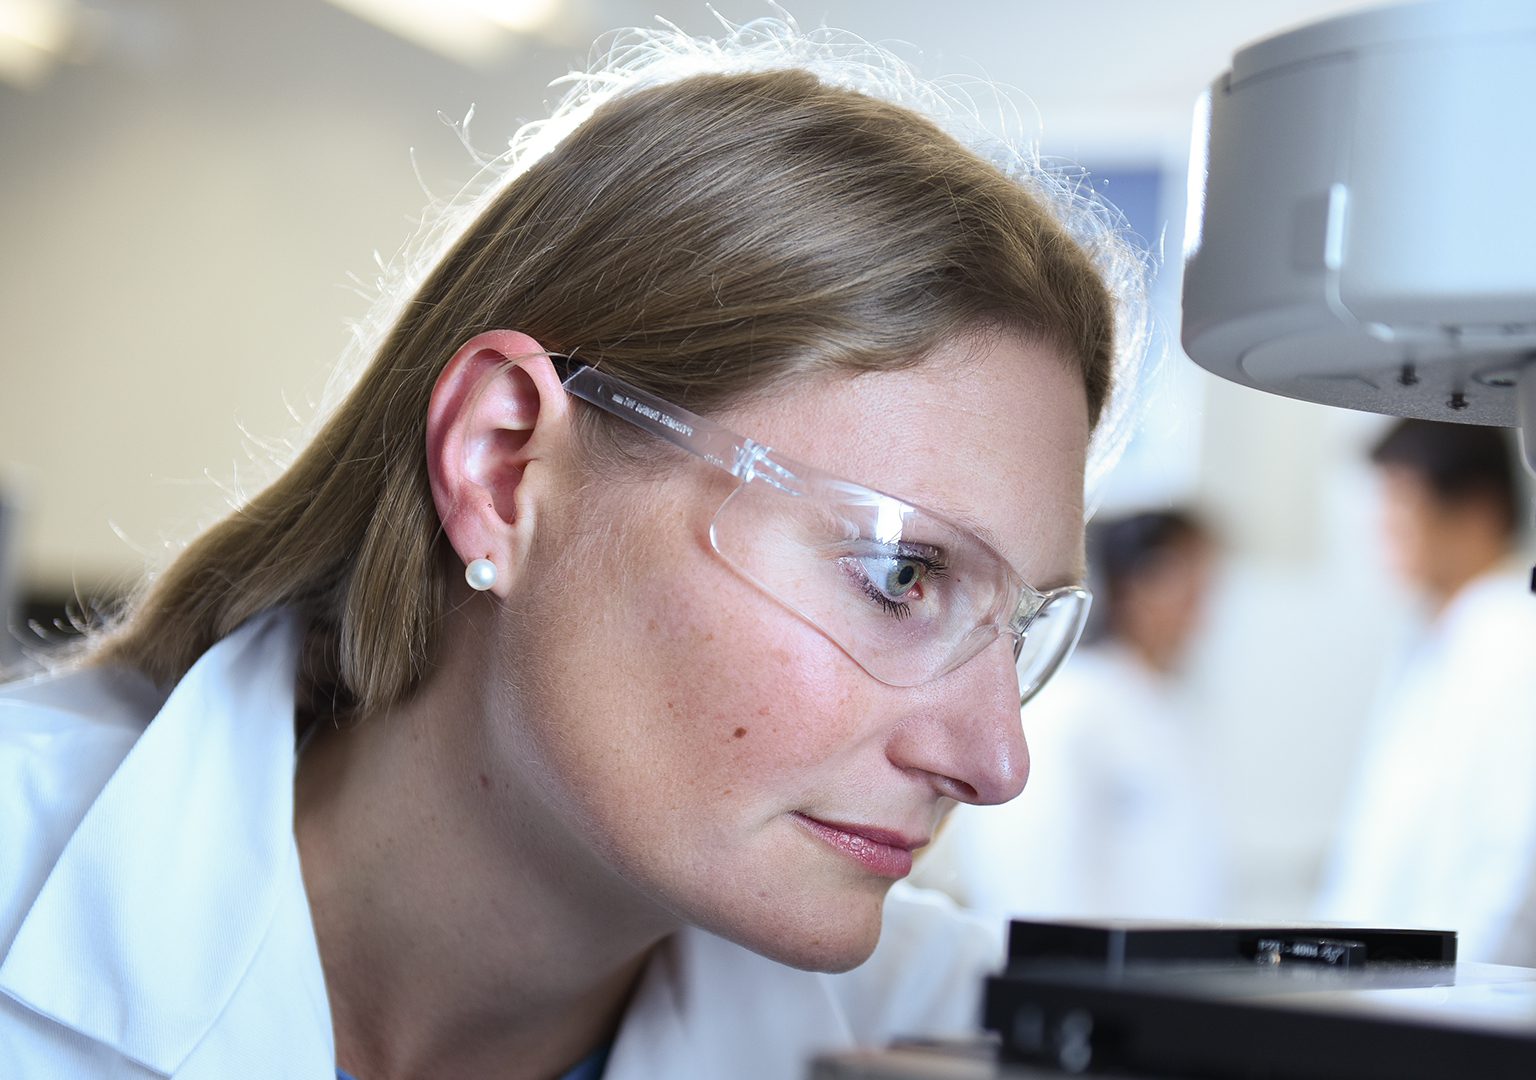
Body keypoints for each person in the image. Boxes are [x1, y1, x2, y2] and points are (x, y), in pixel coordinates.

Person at [0, 22, 1145, 1079]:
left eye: (1024, 625)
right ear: (502, 468)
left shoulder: (953, 1030)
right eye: (901, 574)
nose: (998, 763)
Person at [1314, 419, 1536, 967]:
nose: (1383, 526)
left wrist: (1454, 1011)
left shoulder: (1528, 647)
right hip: (1393, 1003)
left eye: (1402, 502)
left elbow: (1529, 872)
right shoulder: (1441, 640)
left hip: (1456, 1011)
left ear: (1477, 511)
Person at [922, 509, 1228, 922]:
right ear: (1133, 585)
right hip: (1088, 971)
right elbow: (1030, 862)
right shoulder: (1074, 703)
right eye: (1186, 584)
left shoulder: (1164, 704)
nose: (1200, 608)